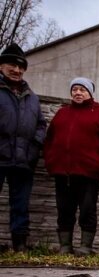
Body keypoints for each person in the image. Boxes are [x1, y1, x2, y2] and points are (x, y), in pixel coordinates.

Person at [43, 78, 99, 255]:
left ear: (90, 93)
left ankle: (85, 247)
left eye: (82, 90)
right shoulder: (62, 113)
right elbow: (48, 141)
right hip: (62, 173)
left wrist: (98, 161)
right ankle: (65, 246)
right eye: (75, 89)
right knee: (64, 210)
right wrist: (51, 161)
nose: (78, 93)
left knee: (87, 210)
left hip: (89, 174)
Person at [0, 43, 46, 252]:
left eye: (21, 67)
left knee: (20, 204)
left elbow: (41, 125)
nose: (17, 70)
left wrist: (34, 148)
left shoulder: (32, 97)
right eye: (12, 65)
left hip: (23, 159)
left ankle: (20, 245)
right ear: (1, 66)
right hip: (1, 155)